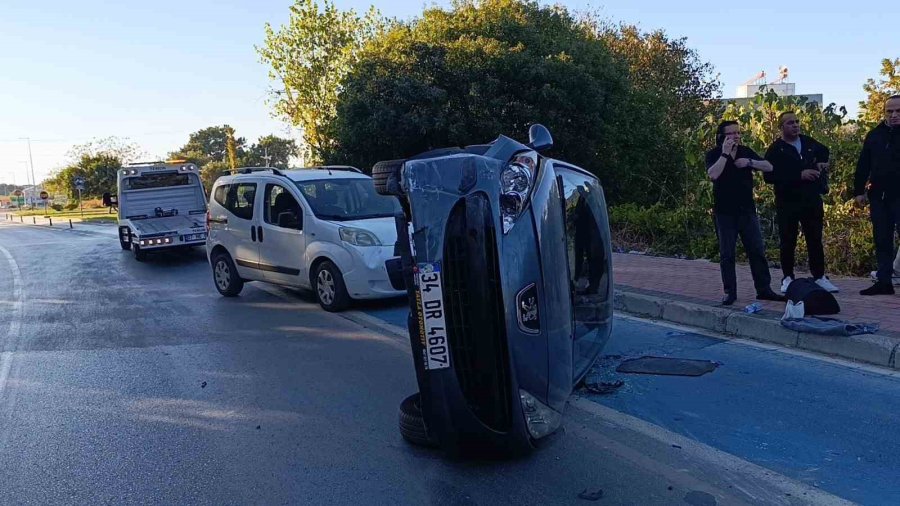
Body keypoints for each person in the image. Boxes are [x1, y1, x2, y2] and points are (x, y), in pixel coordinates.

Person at [706, 120, 785, 305]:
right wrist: (725, 155)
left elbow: (769, 166)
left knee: (757, 250)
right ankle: (730, 292)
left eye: (737, 133)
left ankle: (763, 289)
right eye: (731, 134)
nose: (736, 136)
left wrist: (749, 162)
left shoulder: (745, 151)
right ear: (721, 137)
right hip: (725, 212)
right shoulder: (714, 154)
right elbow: (713, 174)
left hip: (747, 210)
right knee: (727, 254)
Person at [764, 112, 839, 294]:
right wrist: (798, 175)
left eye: (797, 122)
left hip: (811, 199)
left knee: (815, 239)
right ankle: (788, 277)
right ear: (781, 127)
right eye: (790, 123)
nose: (795, 125)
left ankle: (819, 276)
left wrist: (821, 163)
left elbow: (824, 151)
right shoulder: (776, 149)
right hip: (787, 201)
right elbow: (769, 176)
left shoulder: (808, 142)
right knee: (788, 240)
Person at [854, 95, 900, 296]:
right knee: (882, 239)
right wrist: (858, 192)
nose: (894, 115)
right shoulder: (875, 135)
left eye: (898, 111)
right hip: (879, 196)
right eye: (889, 111)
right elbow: (864, 164)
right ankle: (884, 281)